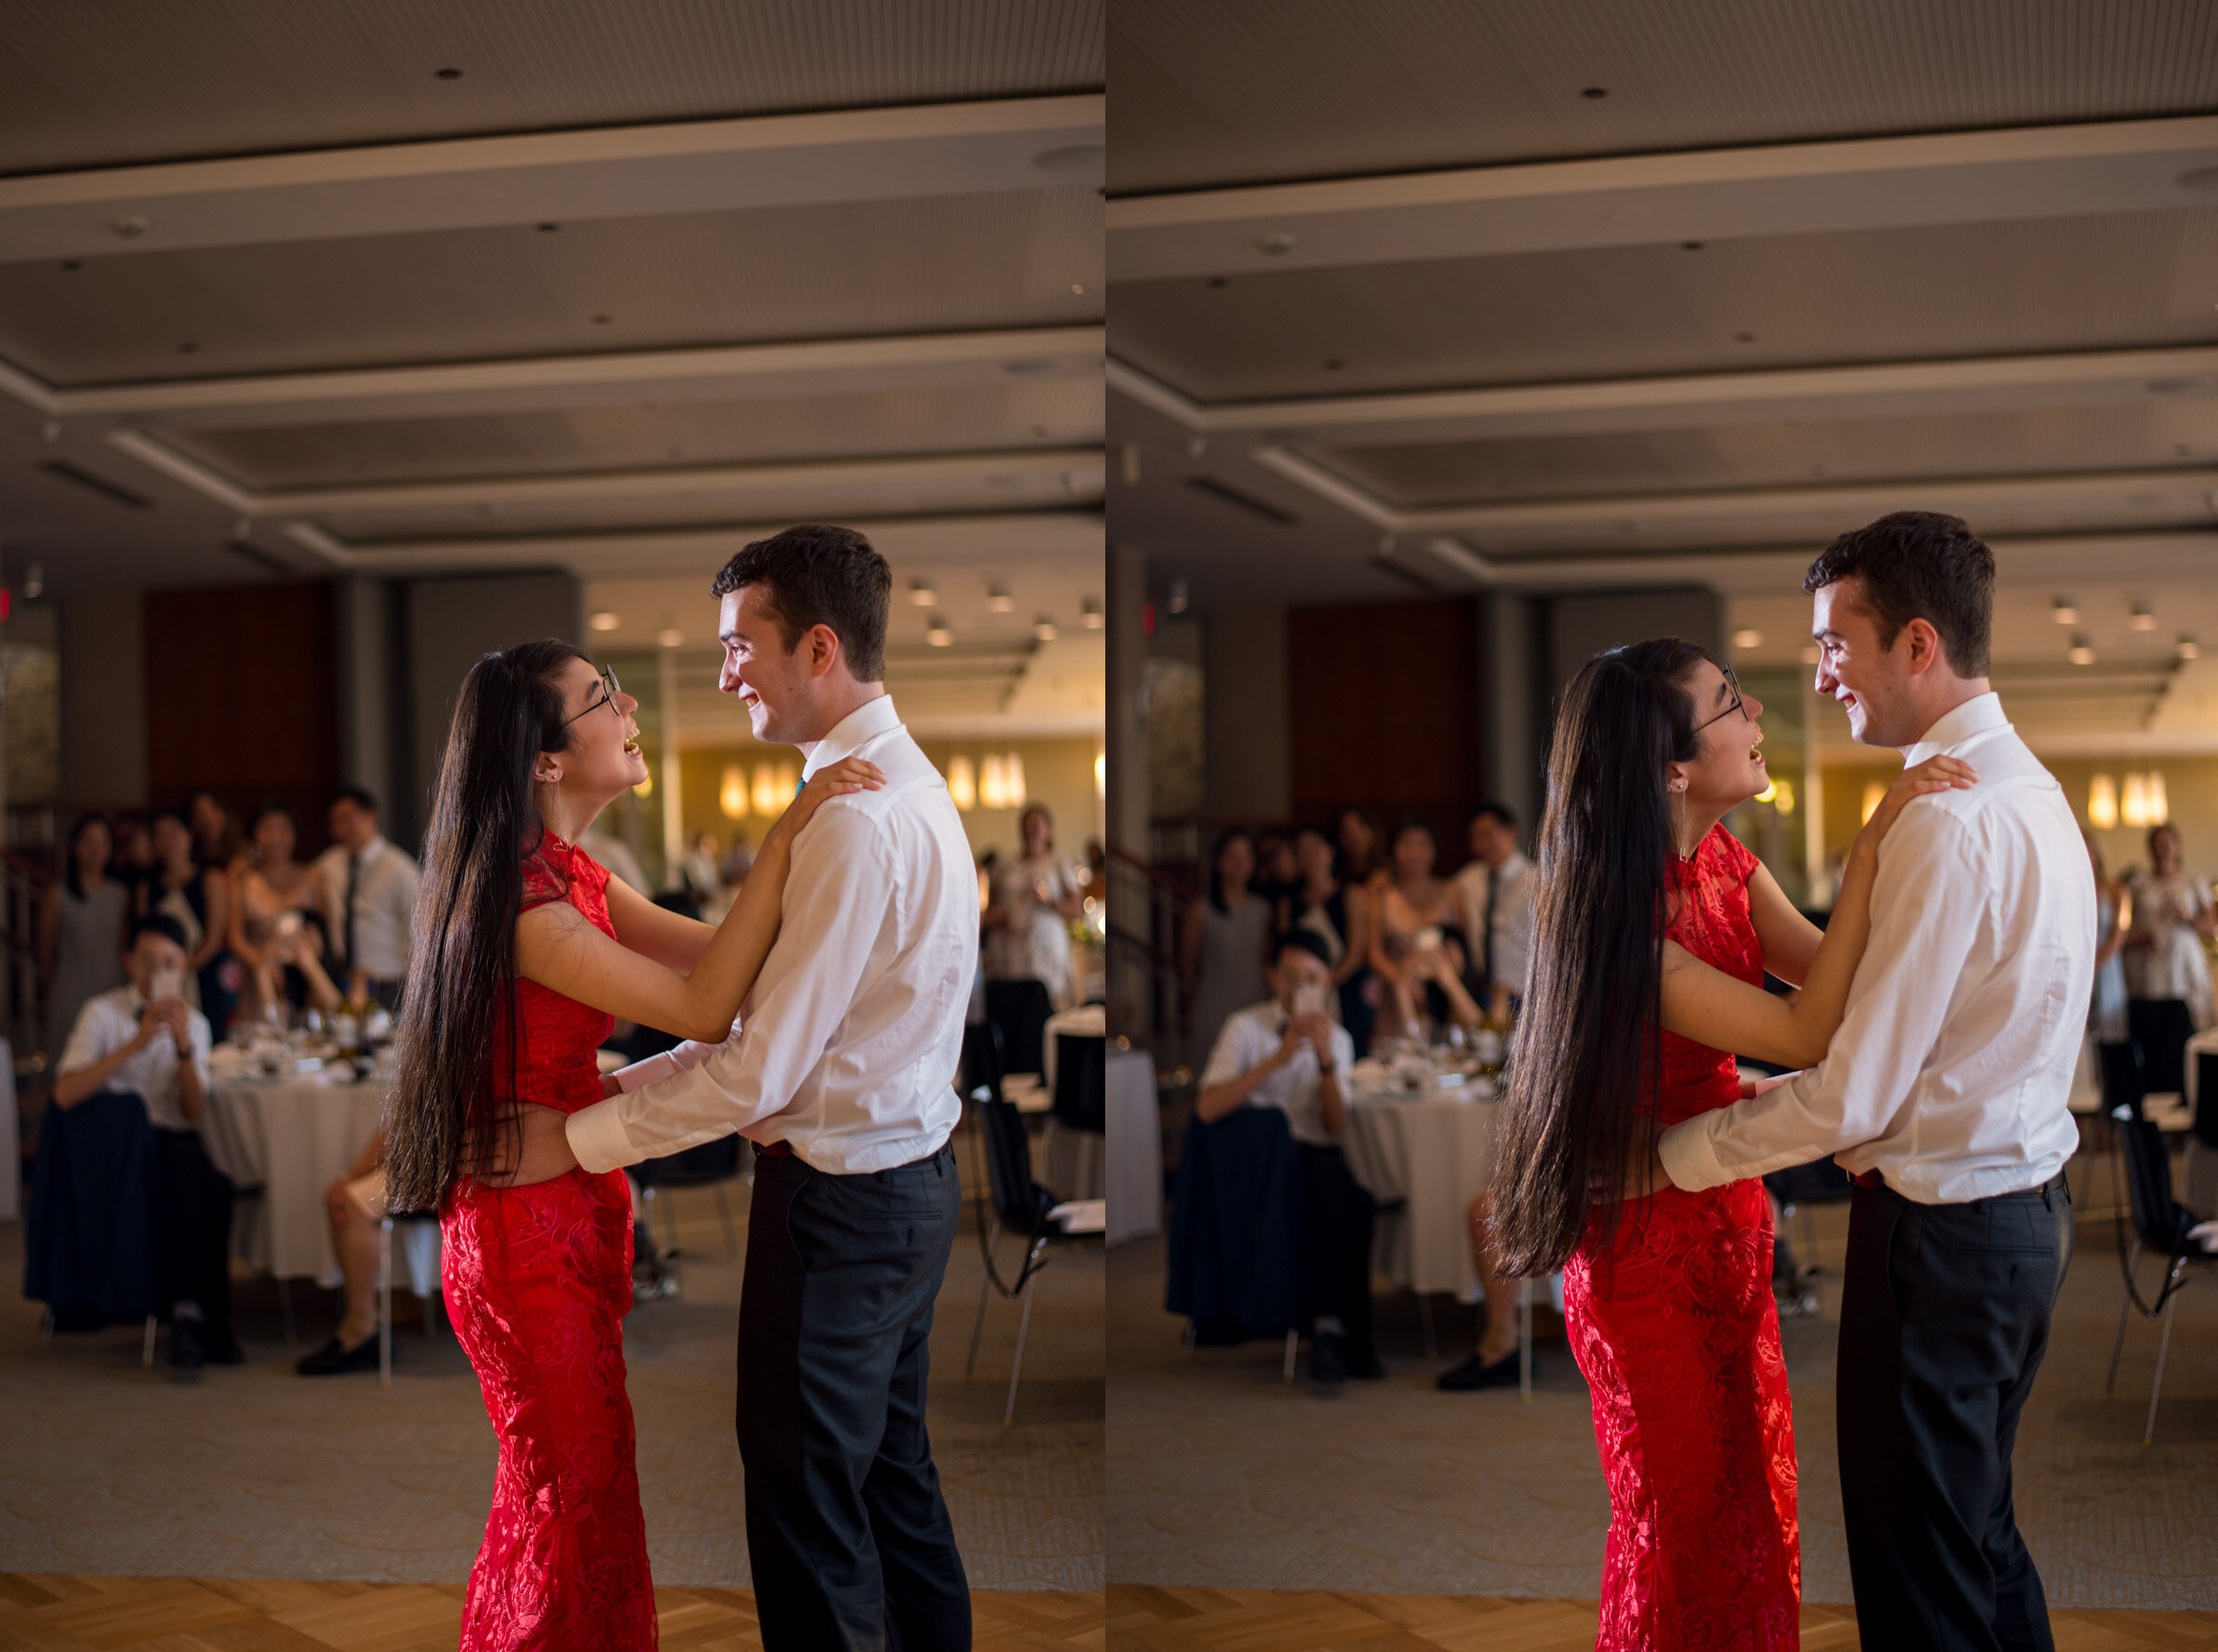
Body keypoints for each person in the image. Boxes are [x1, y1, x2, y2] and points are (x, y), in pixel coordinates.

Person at [507, 524, 980, 1650]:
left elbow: (760, 1064)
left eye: (738, 647)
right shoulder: (898, 790)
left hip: (839, 1206)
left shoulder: (853, 821)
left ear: (819, 649)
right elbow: (749, 1021)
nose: (723, 675)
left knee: (810, 1510)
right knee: (889, 1485)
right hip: (905, 1185)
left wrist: (573, 1139)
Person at [1640, 512, 2091, 1652]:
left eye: (1834, 643)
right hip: (2021, 1220)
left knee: (1920, 1585)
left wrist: (1669, 1156)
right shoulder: (2027, 790)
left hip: (1941, 1240)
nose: (1818, 672)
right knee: (1977, 1545)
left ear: (1916, 645)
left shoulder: (1944, 819)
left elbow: (1854, 1095)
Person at [380, 633, 877, 1650]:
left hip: (559, 1200)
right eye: (605, 697)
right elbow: (706, 1003)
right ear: (548, 761)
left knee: (569, 1495)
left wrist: (838, 878)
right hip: (522, 1231)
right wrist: (783, 841)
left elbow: (734, 958)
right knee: (573, 1499)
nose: (631, 708)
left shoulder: (573, 880)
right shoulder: (525, 907)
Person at [1489, 627, 1972, 1650]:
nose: (1756, 716)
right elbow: (1806, 1028)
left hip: (1723, 1216)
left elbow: (1834, 981)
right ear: (1671, 767)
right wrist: (1876, 841)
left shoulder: (1723, 859)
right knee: (1680, 1521)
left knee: (1750, 1505)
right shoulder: (1626, 919)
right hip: (1639, 1252)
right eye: (1729, 704)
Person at [1196, 928, 1378, 1385]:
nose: (1299, 990)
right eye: (1290, 977)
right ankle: (1335, 1332)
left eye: (1311, 979)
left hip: (1312, 1156)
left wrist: (1325, 1063)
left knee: (1357, 1199)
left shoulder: (1336, 1039)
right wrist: (1278, 1057)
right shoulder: (1245, 1026)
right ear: (1272, 977)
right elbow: (1207, 1106)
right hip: (1253, 1160)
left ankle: (1337, 1328)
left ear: (1327, 985)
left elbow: (1336, 1127)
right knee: (1329, 1187)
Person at [52, 915, 234, 1369]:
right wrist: (136, 1041)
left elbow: (193, 1111)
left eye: (168, 963)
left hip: (170, 1139)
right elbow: (64, 1092)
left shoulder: (195, 1024)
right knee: (186, 1172)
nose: (156, 974)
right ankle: (191, 1315)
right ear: (129, 963)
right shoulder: (102, 1012)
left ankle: (202, 1314)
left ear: (185, 967)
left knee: (216, 1184)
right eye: (148, 962)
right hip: (113, 1145)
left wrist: (184, 1049)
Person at [984, 802, 1087, 1072]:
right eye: (1027, 825)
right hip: (1011, 948)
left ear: (1048, 831)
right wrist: (997, 918)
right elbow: (991, 907)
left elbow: (1076, 908)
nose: (1031, 830)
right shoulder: (1006, 865)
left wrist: (1049, 901)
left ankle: (1046, 1069)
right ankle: (1016, 1070)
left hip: (1045, 947)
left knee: (1044, 1010)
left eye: (1036, 825)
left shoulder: (1059, 862)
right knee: (1014, 1012)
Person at [2123, 822, 2215, 1092]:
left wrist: (2188, 919)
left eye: (2167, 843)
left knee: (2183, 1034)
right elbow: (2124, 929)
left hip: (2183, 970)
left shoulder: (2192, 881)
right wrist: (2141, 938)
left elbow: (2211, 926)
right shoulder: (2139, 884)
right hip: (2151, 971)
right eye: (2157, 844)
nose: (2162, 849)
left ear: (2177, 847)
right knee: (2154, 1039)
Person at [314, 787, 421, 1012]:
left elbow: (421, 932)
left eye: (347, 819)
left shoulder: (400, 868)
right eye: (335, 822)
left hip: (390, 986)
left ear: (371, 815)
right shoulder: (331, 863)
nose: (341, 829)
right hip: (347, 984)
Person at [39, 815, 129, 1063]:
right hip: (70, 987)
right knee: (69, 1059)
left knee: (111, 1058)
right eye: (88, 840)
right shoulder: (58, 894)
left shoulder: (120, 894)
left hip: (112, 985)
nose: (96, 848)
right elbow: (45, 948)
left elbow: (123, 943)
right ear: (75, 846)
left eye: (103, 841)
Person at [1181, 827, 1270, 1075]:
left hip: (1254, 1001)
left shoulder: (1263, 909)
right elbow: (1188, 962)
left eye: (1246, 855)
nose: (1239, 863)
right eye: (1232, 855)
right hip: (1213, 1005)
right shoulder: (1202, 908)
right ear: (1219, 862)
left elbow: (1265, 958)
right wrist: (1191, 999)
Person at [228, 804, 327, 1026]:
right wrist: (264, 965)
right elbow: (235, 938)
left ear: (294, 834)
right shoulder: (243, 880)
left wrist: (310, 959)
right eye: (267, 829)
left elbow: (322, 930)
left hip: (305, 978)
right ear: (255, 834)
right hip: (260, 979)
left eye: (283, 829)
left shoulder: (312, 875)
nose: (276, 837)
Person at [1365, 817, 1458, 1039]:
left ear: (1434, 849)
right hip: (1396, 996)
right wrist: (1402, 982)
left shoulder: (1451, 891)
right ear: (1394, 850)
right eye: (1406, 844)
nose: (1414, 853)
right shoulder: (1383, 892)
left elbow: (1461, 946)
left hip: (1441, 995)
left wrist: (1446, 977)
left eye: (1423, 845)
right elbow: (1374, 953)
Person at [1283, 822, 1372, 1049]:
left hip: (1346, 991)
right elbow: (1284, 952)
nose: (1309, 856)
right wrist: (1303, 990)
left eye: (1315, 847)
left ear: (1331, 851)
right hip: (1300, 993)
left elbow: (1355, 953)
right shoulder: (1288, 903)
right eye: (1302, 850)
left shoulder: (1351, 895)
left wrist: (1323, 985)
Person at [1452, 803, 1536, 1018]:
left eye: (1488, 834)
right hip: (1483, 993)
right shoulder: (1469, 879)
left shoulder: (1539, 880)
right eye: (1476, 838)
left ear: (1511, 831)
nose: (1482, 844)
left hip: (1525, 993)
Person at [2088, 831, 2131, 1066]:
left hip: (2107, 968)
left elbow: (2118, 935)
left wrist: (2092, 967)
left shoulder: (2116, 890)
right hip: (2080, 966)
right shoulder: (2072, 887)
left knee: (2110, 1036)